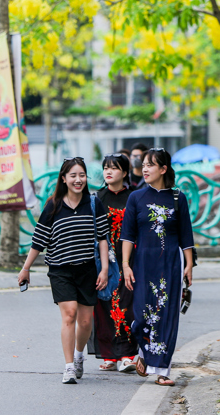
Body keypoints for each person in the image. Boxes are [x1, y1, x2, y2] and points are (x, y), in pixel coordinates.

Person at [18, 157, 109, 385]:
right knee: (69, 315)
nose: (78, 180)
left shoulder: (94, 204)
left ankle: (79, 356)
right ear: (64, 179)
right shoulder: (53, 205)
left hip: (87, 269)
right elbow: (39, 240)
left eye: (82, 175)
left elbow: (103, 239)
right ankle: (69, 367)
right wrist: (26, 268)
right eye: (73, 176)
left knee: (85, 322)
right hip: (60, 270)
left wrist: (105, 269)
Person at [121, 148, 194, 385]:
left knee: (166, 314)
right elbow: (127, 235)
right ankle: (144, 352)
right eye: (143, 164)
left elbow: (186, 235)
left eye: (150, 165)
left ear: (163, 169)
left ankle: (162, 370)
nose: (144, 169)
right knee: (142, 315)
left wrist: (189, 264)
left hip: (170, 263)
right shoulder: (136, 197)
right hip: (142, 263)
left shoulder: (178, 198)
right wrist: (126, 265)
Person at [91, 153, 138, 373]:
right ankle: (110, 355)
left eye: (114, 168)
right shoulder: (97, 199)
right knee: (105, 306)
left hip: (130, 260)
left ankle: (127, 355)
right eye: (106, 168)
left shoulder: (134, 197)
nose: (108, 172)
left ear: (125, 172)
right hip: (105, 261)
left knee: (127, 308)